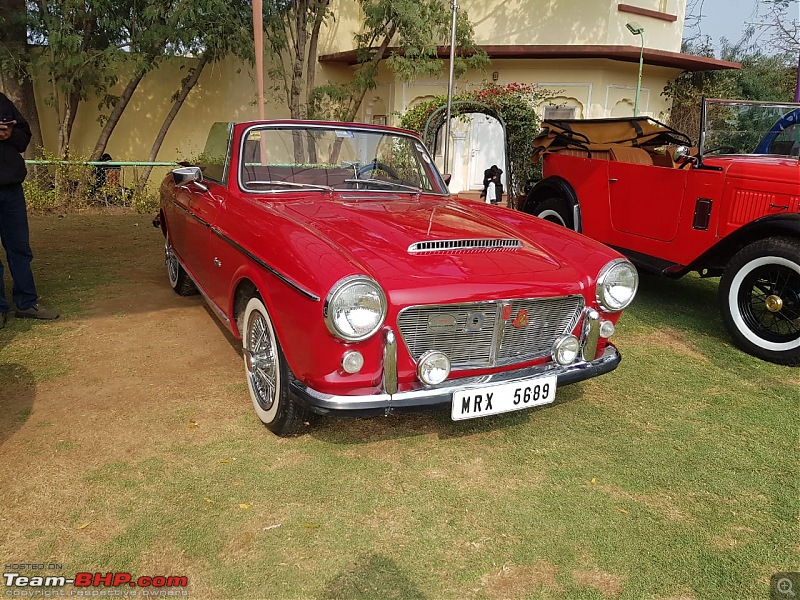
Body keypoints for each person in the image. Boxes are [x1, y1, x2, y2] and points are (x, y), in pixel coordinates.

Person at [0, 92, 58, 329]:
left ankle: (26, 303)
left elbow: (24, 139)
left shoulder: (2, 101)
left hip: (11, 191)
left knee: (20, 249)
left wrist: (10, 133)